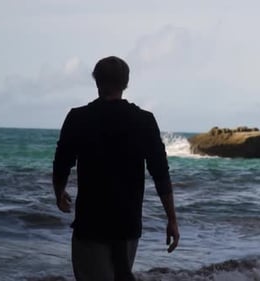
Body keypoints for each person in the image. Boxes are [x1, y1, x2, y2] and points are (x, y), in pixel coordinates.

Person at [52, 56, 179, 281]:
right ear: (125, 83)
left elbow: (62, 163)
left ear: (96, 81)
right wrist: (172, 219)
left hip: (91, 224)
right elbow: (160, 172)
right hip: (128, 224)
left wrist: (59, 192)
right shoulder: (144, 120)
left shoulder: (78, 118)